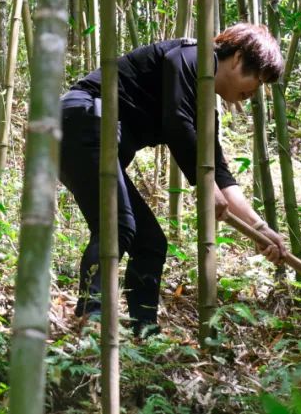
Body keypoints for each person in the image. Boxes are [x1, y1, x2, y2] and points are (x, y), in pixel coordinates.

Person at [58, 22, 288, 336]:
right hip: (80, 121)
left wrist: (259, 229)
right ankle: (90, 322)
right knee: (118, 225)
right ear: (236, 59)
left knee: (150, 243)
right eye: (256, 80)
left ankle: (145, 333)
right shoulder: (192, 56)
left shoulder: (206, 104)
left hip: (94, 137)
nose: (253, 93)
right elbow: (177, 123)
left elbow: (217, 170)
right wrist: (205, 187)